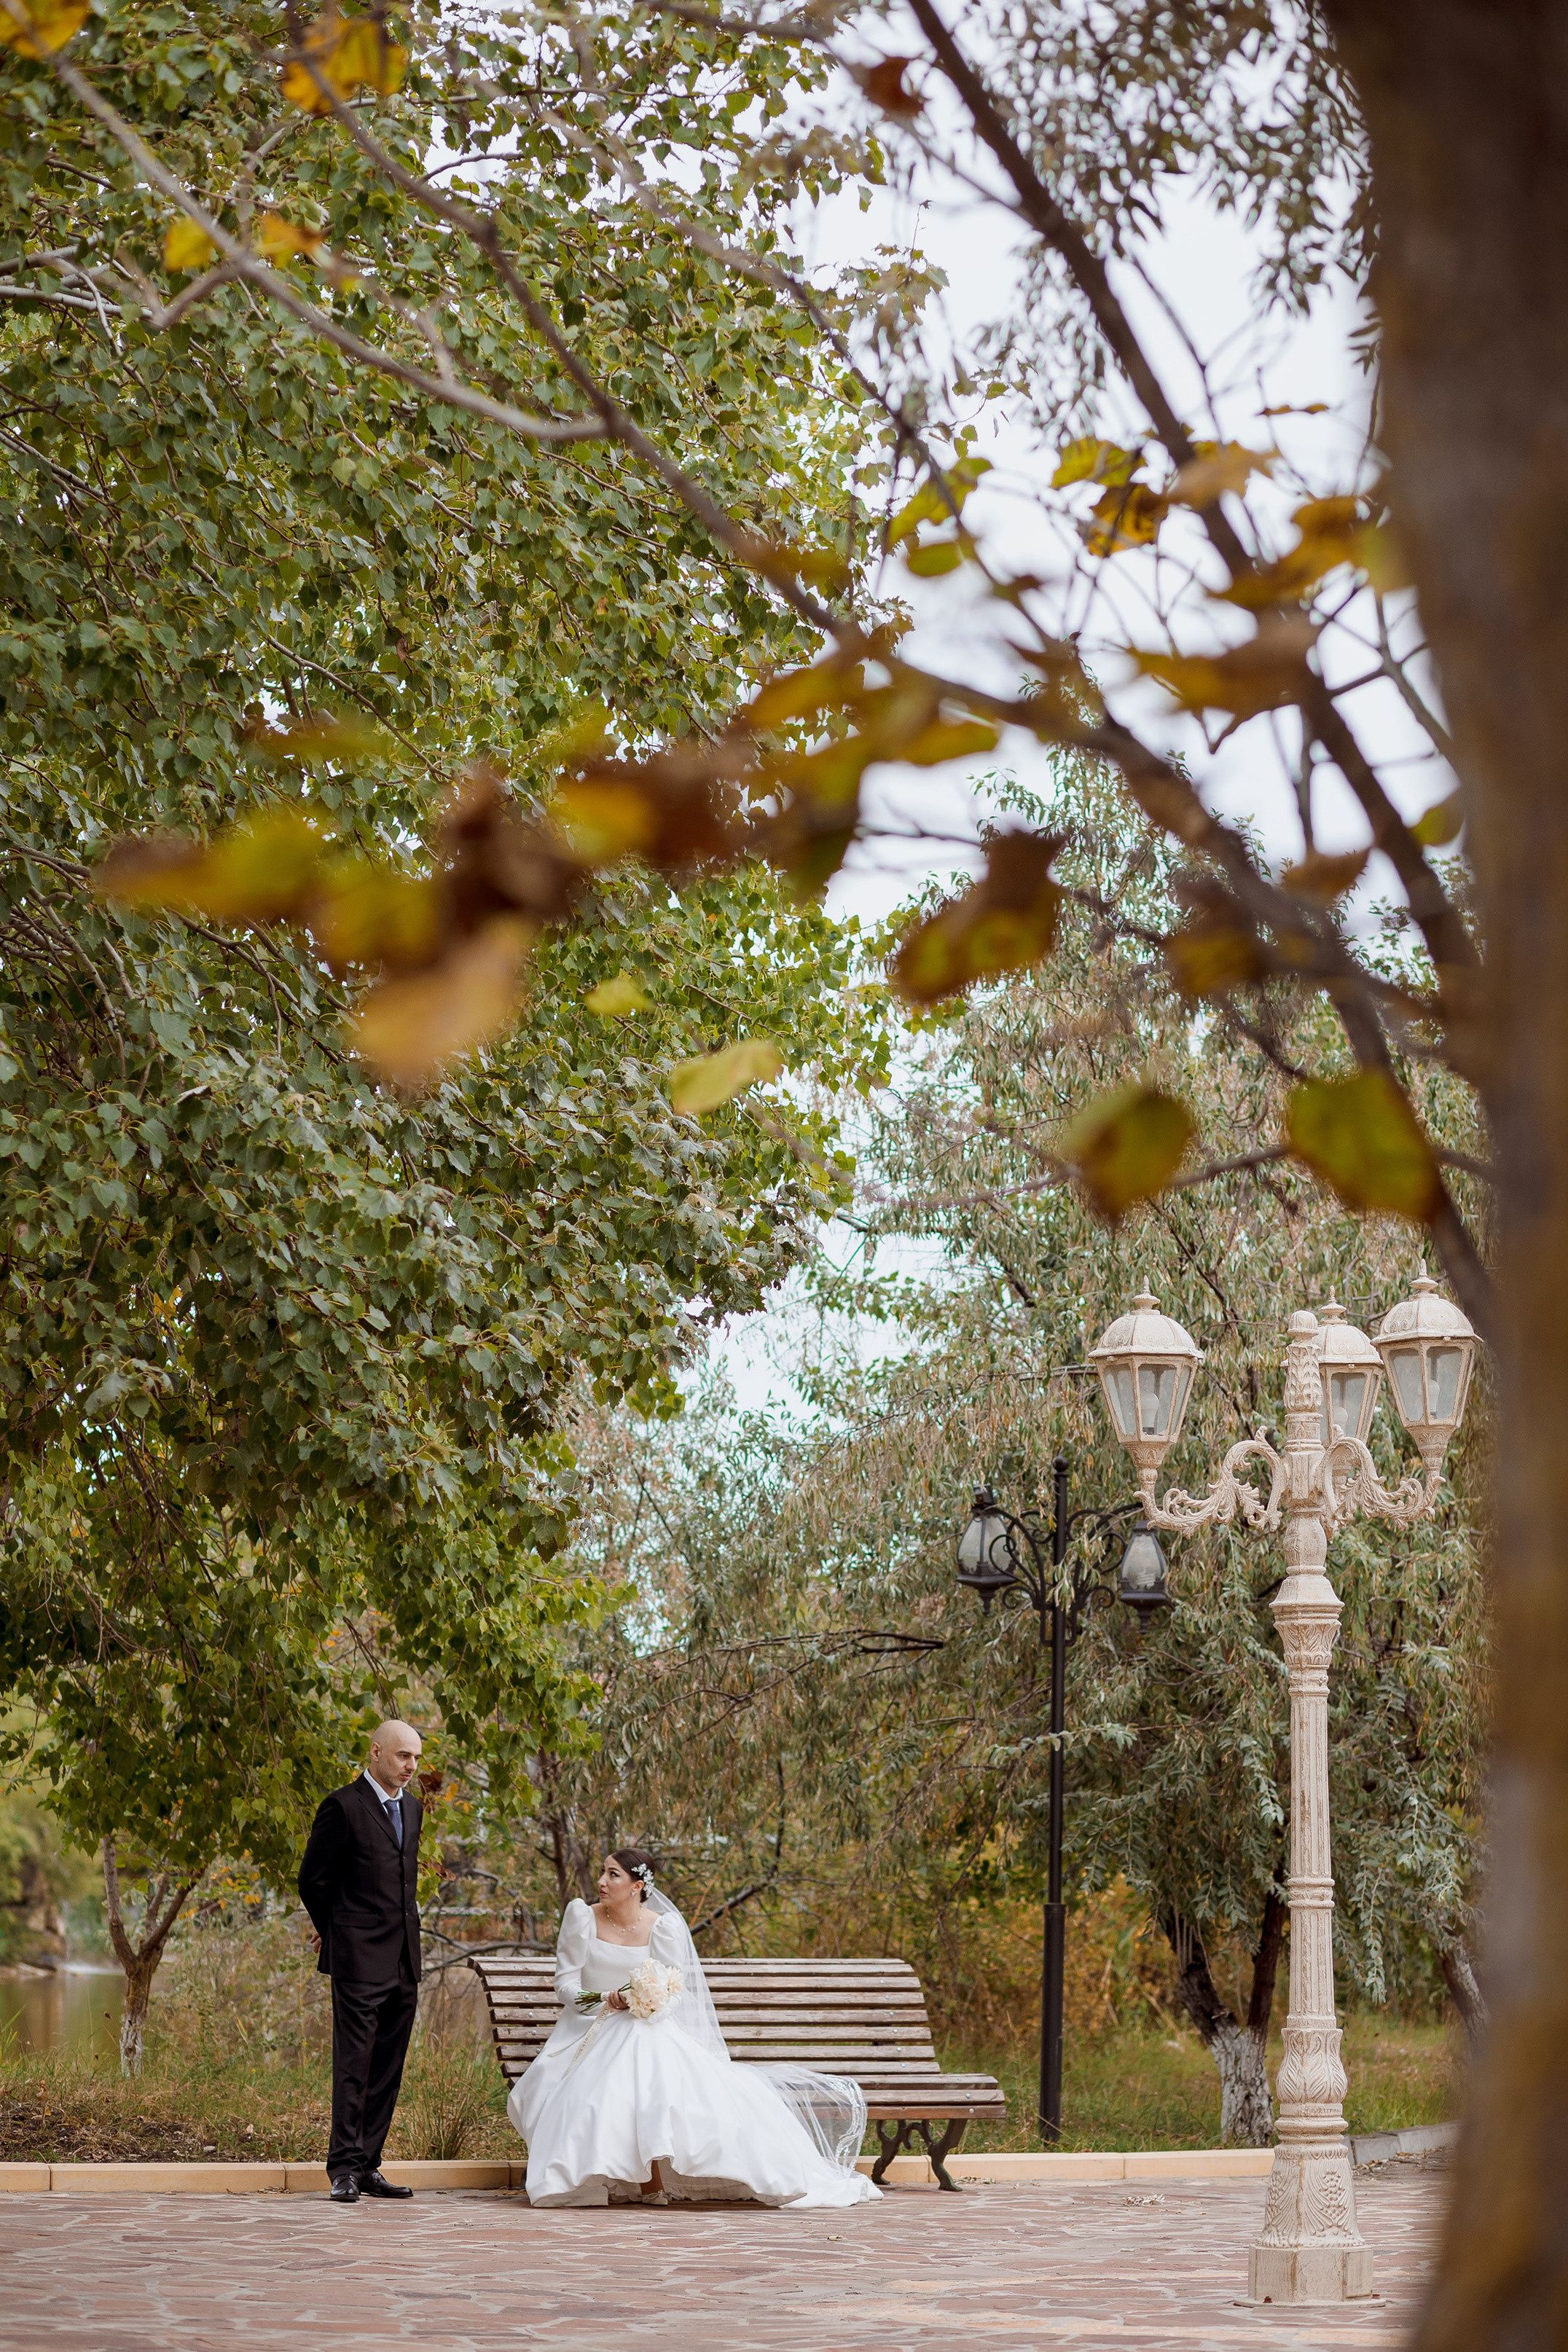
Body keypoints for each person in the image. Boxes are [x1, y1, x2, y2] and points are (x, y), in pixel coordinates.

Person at [510, 1848, 882, 2210]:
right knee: (631, 2044)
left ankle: (659, 2176)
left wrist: (648, 2005)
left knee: (641, 2039)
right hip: (588, 2027)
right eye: (603, 1872)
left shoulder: (663, 1927)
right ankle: (633, 2178)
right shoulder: (582, 1918)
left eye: (613, 1874)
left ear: (638, 1885)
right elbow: (565, 1987)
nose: (602, 1881)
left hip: (647, 2026)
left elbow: (674, 1992)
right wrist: (606, 1999)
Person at [298, 1718, 426, 2205]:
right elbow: (313, 1879)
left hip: (404, 1960)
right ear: (375, 1753)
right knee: (354, 2065)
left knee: (388, 2067)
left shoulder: (412, 1810)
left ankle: (369, 2164)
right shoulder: (342, 1807)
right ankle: (344, 2169)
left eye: (415, 1757)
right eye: (402, 1756)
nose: (411, 1766)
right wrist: (337, 1930)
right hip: (357, 1959)